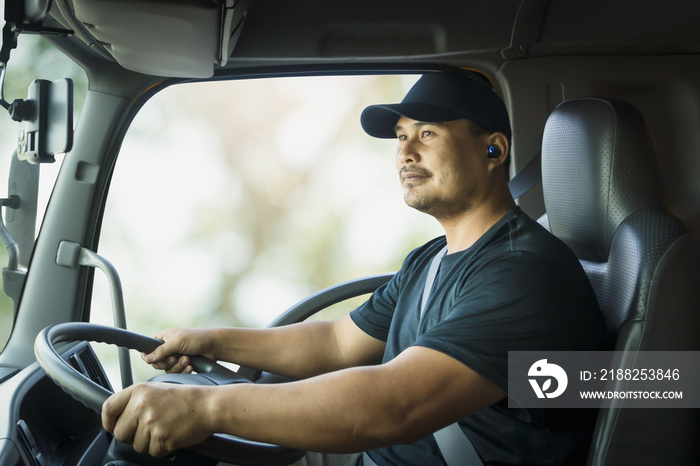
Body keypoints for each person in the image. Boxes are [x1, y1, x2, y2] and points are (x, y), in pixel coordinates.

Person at [101, 72, 604, 465]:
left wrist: (207, 409)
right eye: (401, 136)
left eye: (426, 133)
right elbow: (338, 343)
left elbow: (392, 406)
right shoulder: (431, 260)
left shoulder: (524, 274)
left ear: (493, 149)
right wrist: (212, 341)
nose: (404, 152)